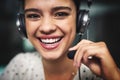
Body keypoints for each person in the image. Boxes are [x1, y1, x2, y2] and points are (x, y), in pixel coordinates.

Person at [0, 0, 120, 80]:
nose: (46, 28)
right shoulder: (19, 66)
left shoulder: (102, 73)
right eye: (33, 15)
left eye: (60, 13)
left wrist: (114, 76)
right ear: (22, 24)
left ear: (80, 20)